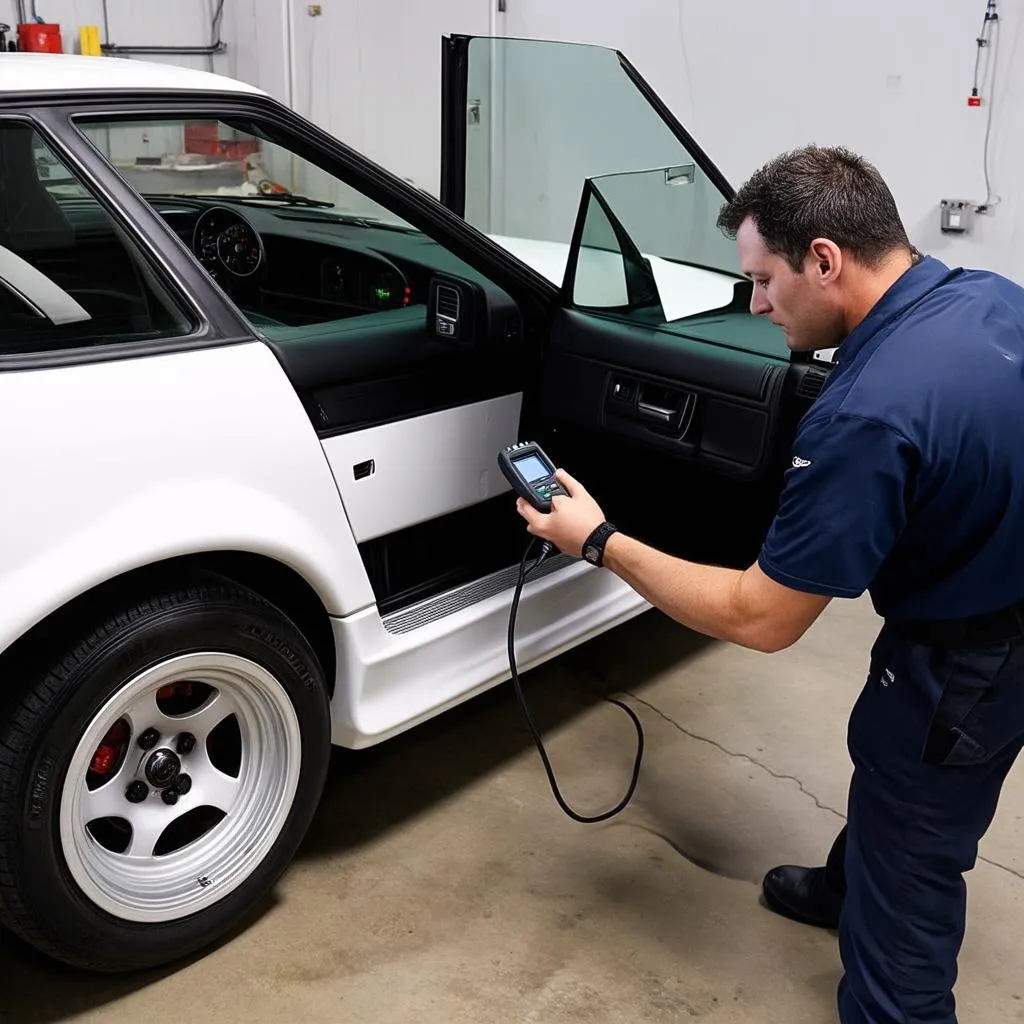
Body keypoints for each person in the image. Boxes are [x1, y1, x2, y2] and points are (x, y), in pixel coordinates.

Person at [516, 144, 1024, 1024]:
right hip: (999, 582)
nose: (754, 304)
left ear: (824, 259)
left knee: (915, 842)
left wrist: (598, 540)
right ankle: (845, 885)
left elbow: (763, 620)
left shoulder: (866, 415)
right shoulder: (988, 296)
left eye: (762, 280)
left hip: (975, 651)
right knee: (888, 755)